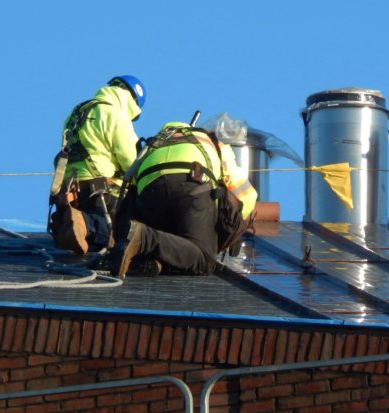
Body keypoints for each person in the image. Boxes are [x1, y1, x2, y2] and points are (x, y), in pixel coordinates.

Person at [109, 121, 257, 277]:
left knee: (175, 244)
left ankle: (153, 257)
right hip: (191, 188)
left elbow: (130, 190)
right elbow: (247, 196)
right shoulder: (212, 143)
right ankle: (144, 238)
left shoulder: (153, 144)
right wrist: (232, 233)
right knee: (204, 260)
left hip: (149, 195)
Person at [48, 75, 146, 254]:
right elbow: (131, 163)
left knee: (91, 244)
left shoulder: (77, 113)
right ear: (132, 101)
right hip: (102, 193)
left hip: (71, 193)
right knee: (125, 235)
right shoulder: (114, 115)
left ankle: (76, 224)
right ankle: (85, 223)